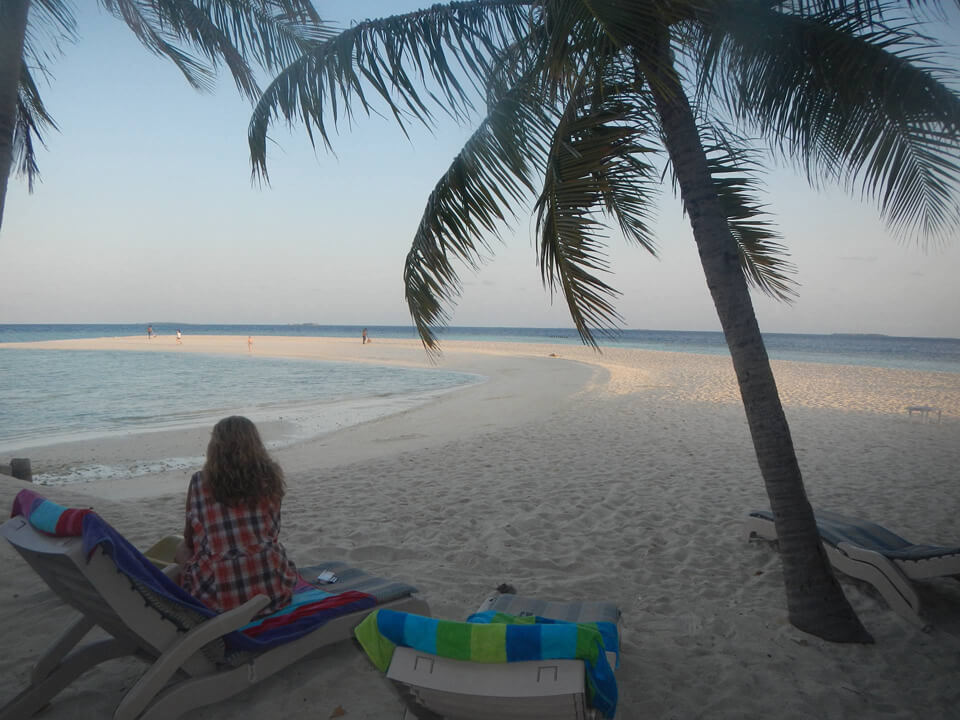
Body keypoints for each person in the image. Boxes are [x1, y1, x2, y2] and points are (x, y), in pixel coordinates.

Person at [175, 416, 298, 615]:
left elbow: (190, 539)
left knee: (181, 548)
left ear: (215, 447)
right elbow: (273, 532)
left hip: (217, 599)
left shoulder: (199, 481)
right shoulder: (270, 478)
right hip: (273, 591)